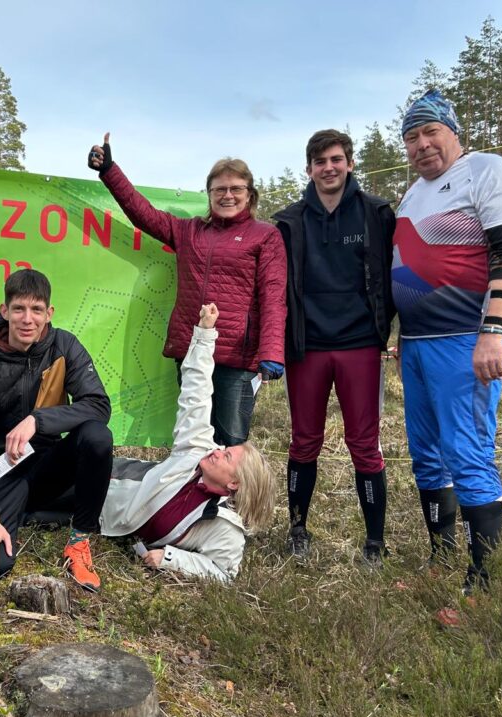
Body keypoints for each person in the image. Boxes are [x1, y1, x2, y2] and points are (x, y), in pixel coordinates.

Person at [392, 90, 502, 592]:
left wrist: (493, 330)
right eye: (412, 137)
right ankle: (441, 554)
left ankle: (483, 578)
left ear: (453, 131)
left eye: (431, 132)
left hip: (465, 339)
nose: (422, 145)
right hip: (418, 343)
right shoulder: (413, 192)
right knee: (426, 452)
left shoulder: (488, 170)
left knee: (466, 451)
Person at [88, 133, 287, 445]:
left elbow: (274, 297)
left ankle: (231, 496)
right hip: (193, 353)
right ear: (209, 194)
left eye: (236, 189)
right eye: (219, 189)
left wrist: (272, 351)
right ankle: (193, 495)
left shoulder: (266, 236)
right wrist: (110, 171)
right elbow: (143, 214)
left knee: (232, 442)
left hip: (237, 359)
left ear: (250, 194)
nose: (228, 195)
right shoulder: (189, 231)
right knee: (192, 439)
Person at [272, 130, 396, 564]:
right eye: (321, 160)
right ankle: (298, 531)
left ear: (350, 163)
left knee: (365, 443)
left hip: (360, 344)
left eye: (337, 159)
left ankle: (375, 543)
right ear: (309, 168)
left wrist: (387, 329)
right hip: (306, 348)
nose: (329, 167)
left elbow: (394, 277)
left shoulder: (377, 213)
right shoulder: (287, 222)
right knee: (304, 442)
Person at [0, 269, 113, 590]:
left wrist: (39, 421)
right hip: (2, 470)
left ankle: (79, 542)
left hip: (49, 462)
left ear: (49, 313)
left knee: (97, 437)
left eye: (37, 310)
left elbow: (98, 405)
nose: (28, 319)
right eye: (19, 309)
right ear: (4, 311)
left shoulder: (64, 346)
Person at [100, 304, 275, 581]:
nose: (217, 451)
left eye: (226, 457)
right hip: (100, 479)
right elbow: (197, 391)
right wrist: (205, 333)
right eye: (224, 449)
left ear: (233, 484)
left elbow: (224, 574)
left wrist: (172, 559)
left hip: (97, 520)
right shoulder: (198, 449)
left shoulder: (225, 528)